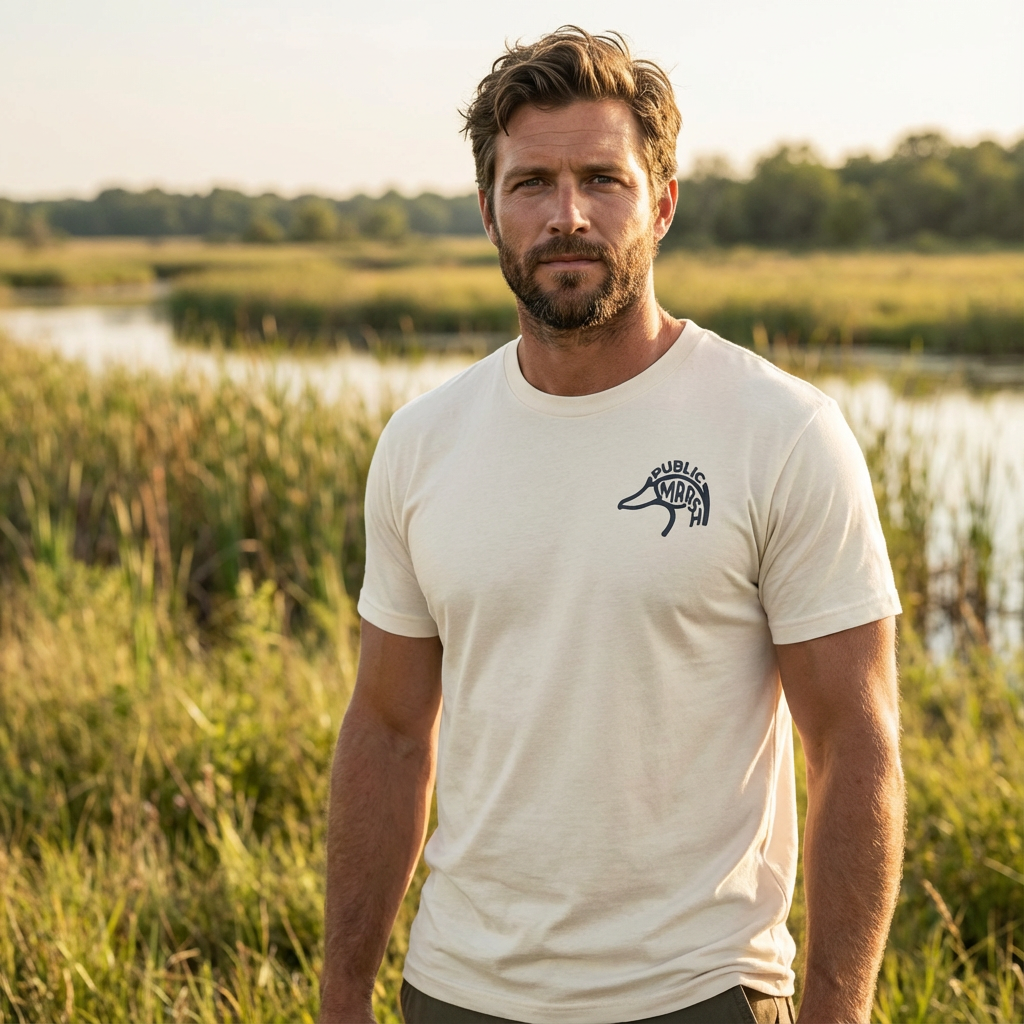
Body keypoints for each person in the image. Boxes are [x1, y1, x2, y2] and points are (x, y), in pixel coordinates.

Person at [319, 26, 905, 1024]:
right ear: (488, 211)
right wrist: (341, 999)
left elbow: (853, 743)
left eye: (604, 178)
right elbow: (385, 730)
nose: (568, 215)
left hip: (698, 993)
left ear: (662, 202)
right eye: (531, 184)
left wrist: (836, 1012)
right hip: (456, 991)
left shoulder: (781, 431)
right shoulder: (422, 444)